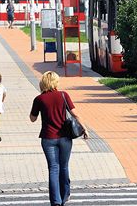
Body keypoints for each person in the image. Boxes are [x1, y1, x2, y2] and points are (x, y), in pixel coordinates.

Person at [30, 71, 88, 206]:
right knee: (64, 166)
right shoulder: (63, 95)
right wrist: (84, 129)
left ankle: (55, 201)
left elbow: (32, 119)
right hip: (65, 138)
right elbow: (75, 114)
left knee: (53, 168)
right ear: (55, 82)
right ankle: (65, 195)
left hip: (48, 138)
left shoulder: (39, 99)